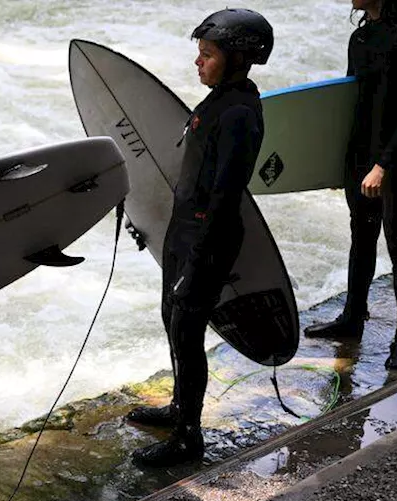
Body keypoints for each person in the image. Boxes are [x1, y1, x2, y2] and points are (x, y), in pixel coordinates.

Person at [127, 9, 273, 467]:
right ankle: (178, 407)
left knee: (188, 332)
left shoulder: (238, 114)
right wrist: (147, 220)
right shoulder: (217, 101)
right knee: (173, 319)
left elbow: (226, 196)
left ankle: (189, 436)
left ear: (237, 60)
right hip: (183, 231)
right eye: (200, 54)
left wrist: (198, 261)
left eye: (207, 55)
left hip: (208, 239)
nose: (198, 63)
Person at [302, 0, 397, 373]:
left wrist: (384, 164)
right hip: (360, 156)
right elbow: (349, 105)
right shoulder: (360, 37)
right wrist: (333, 165)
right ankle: (352, 318)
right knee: (361, 236)